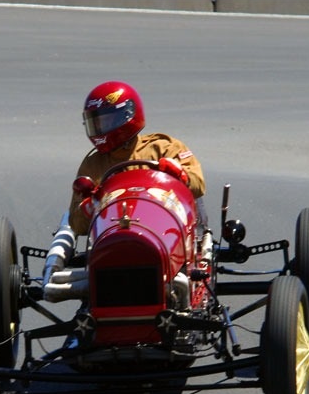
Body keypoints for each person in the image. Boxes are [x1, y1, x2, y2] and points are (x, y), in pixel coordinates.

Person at [42, 81, 206, 299]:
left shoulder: (164, 148)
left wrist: (180, 175)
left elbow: (198, 184)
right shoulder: (92, 165)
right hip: (112, 239)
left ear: (127, 115)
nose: (100, 129)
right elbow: (78, 225)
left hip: (166, 237)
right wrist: (89, 207)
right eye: (95, 123)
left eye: (106, 121)